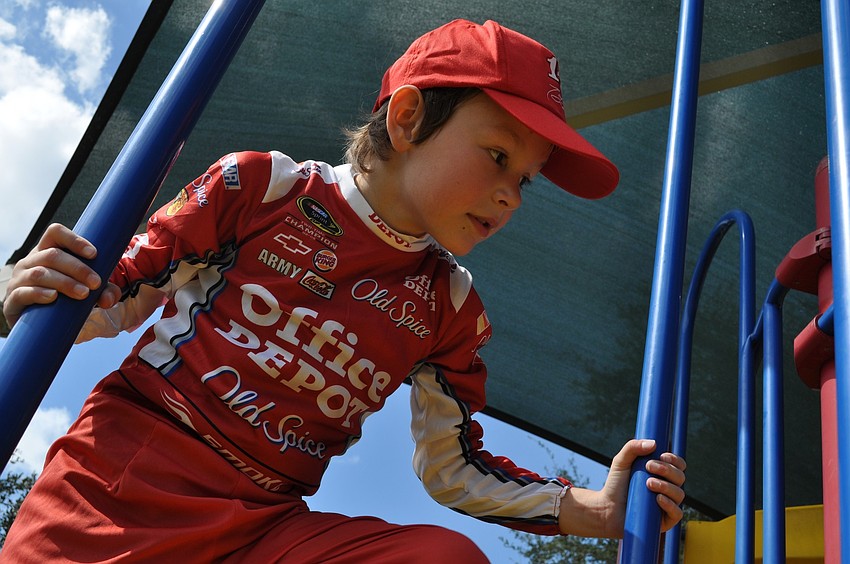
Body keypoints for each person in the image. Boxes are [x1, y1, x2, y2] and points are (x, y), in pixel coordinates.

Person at [1, 19, 685, 562]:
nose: (511, 194)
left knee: (442, 559)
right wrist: (18, 290)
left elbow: (455, 466)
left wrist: (593, 510)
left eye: (526, 180)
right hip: (122, 488)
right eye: (499, 157)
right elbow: (116, 291)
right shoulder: (264, 190)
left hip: (262, 530)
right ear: (409, 118)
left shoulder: (448, 305)